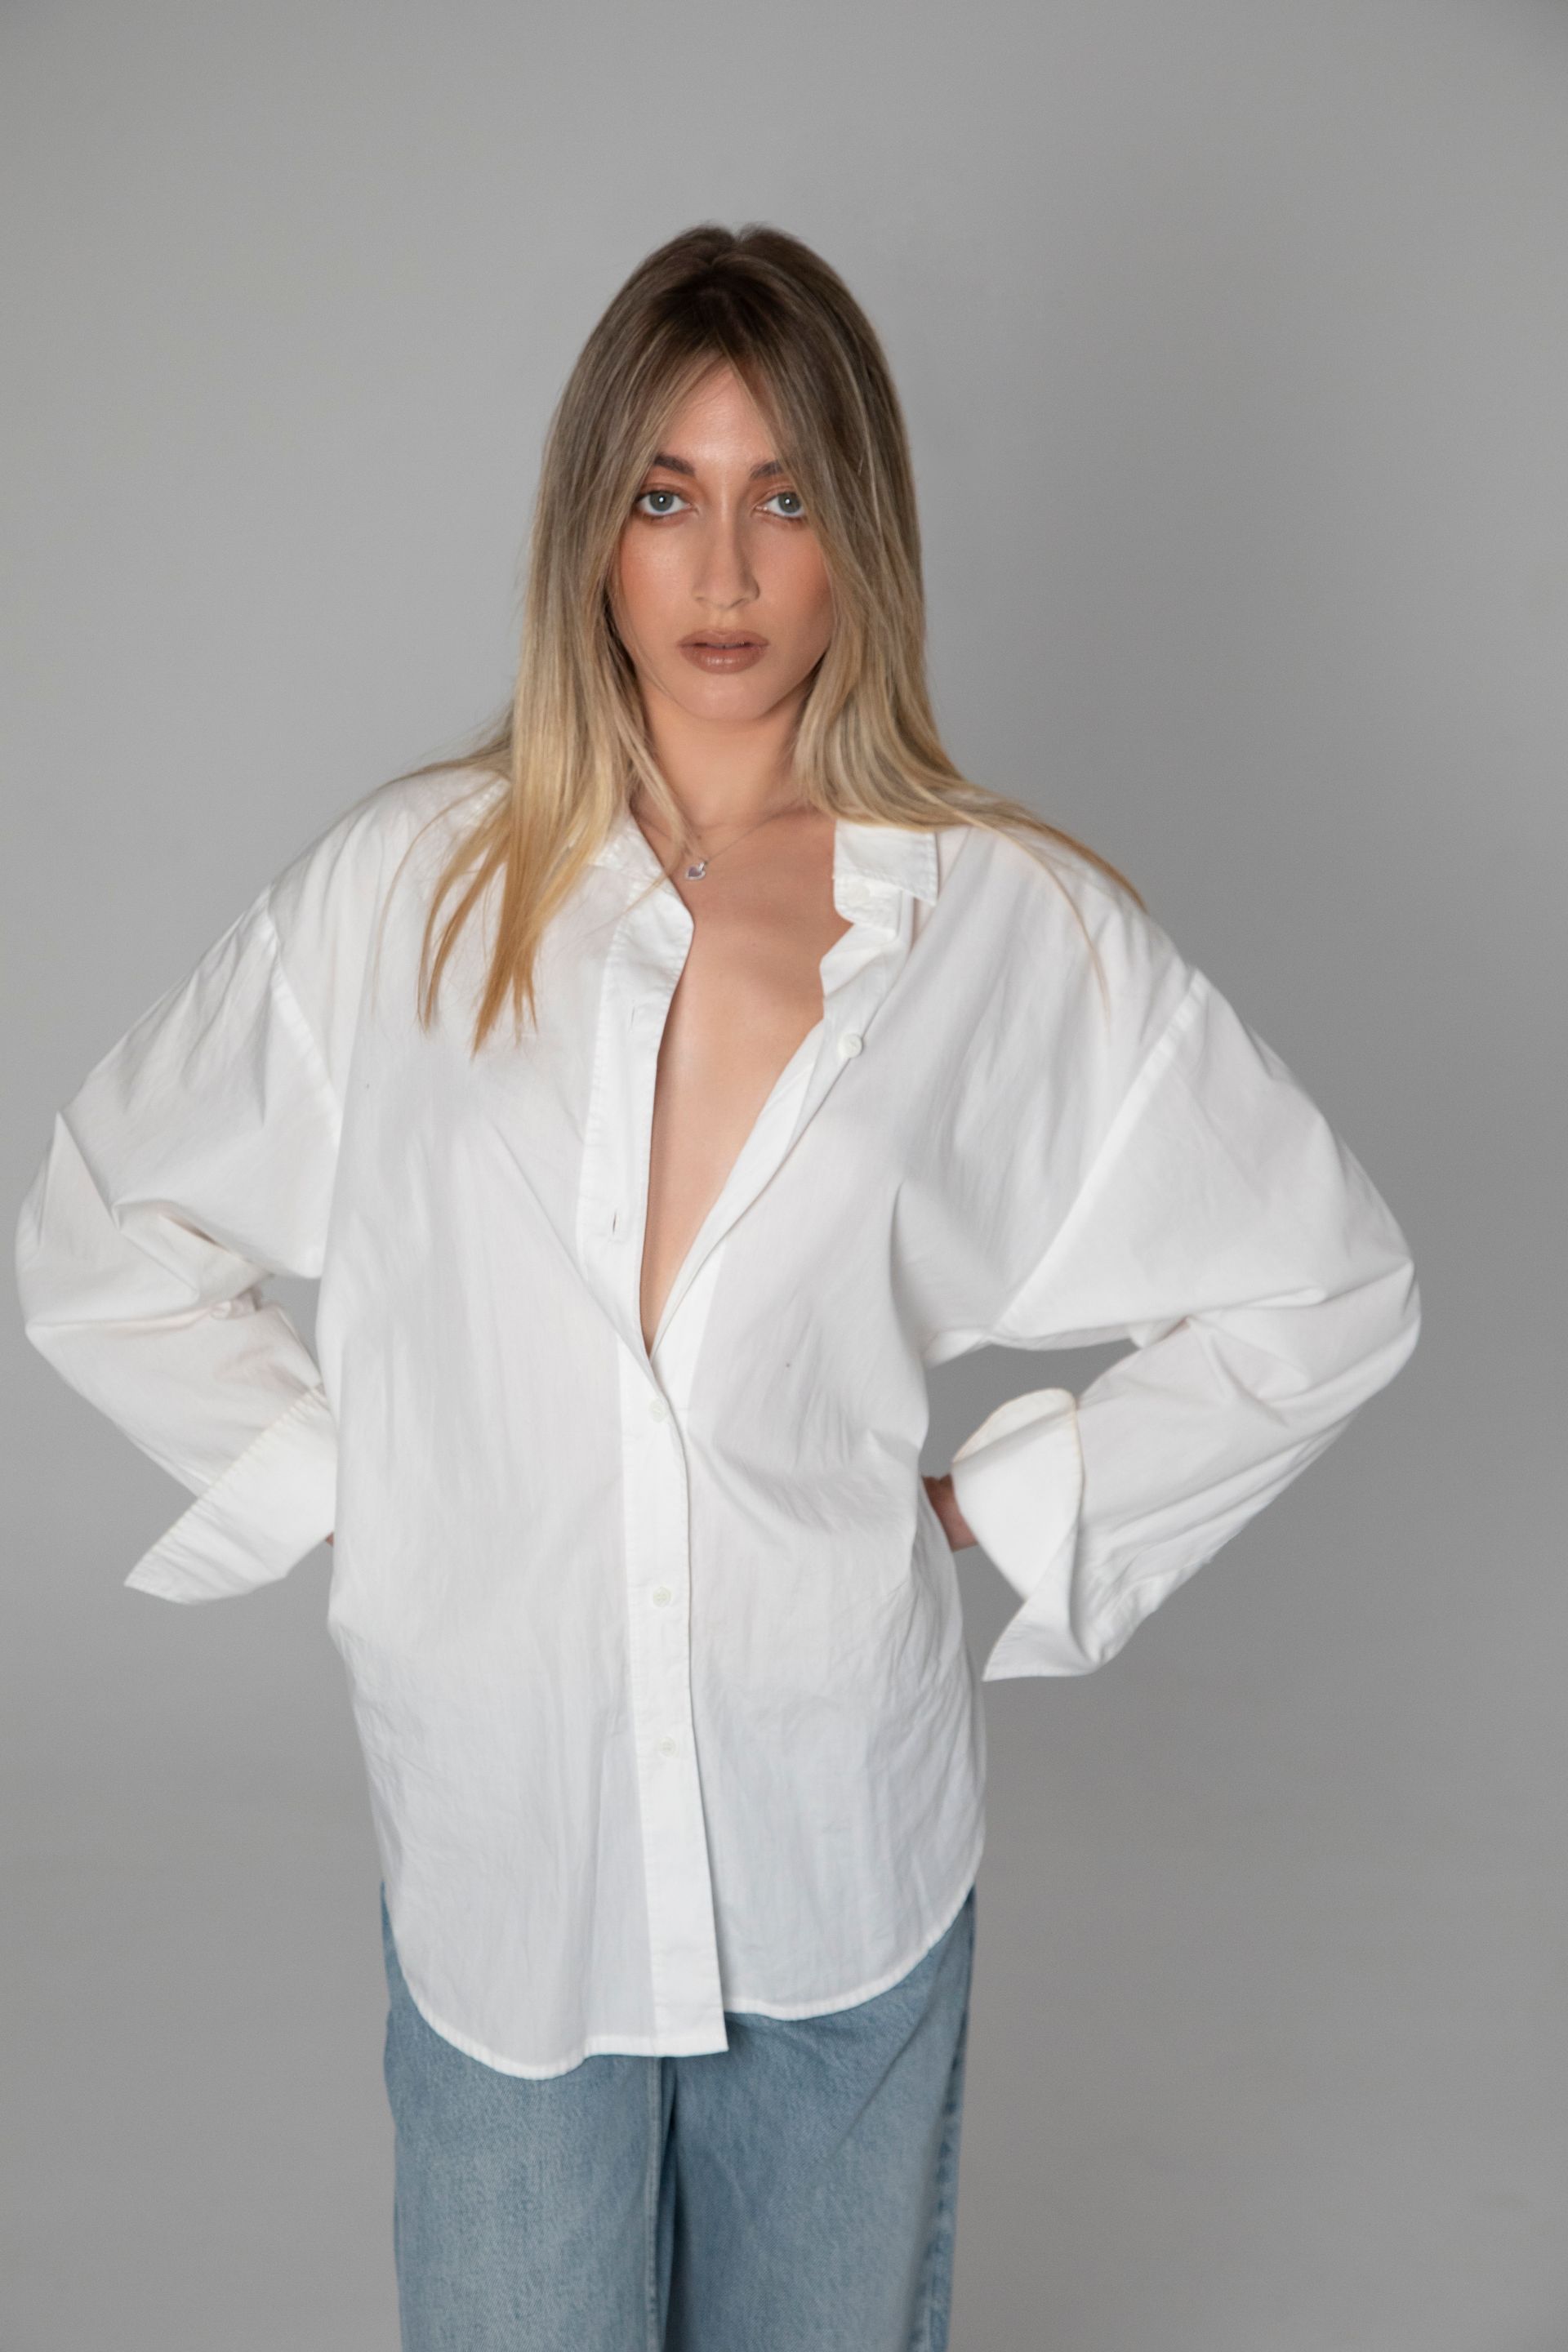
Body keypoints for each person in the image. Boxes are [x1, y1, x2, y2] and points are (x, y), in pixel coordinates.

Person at [15, 222, 1420, 2351]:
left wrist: (1007, 1502)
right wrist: (371, 1481)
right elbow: (100, 1233)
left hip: (838, 1836)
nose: (729, 571)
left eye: (788, 498)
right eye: (668, 496)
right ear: (593, 531)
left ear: (866, 538)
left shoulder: (998, 928)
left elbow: (1324, 1289)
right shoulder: (406, 894)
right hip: (512, 1850)